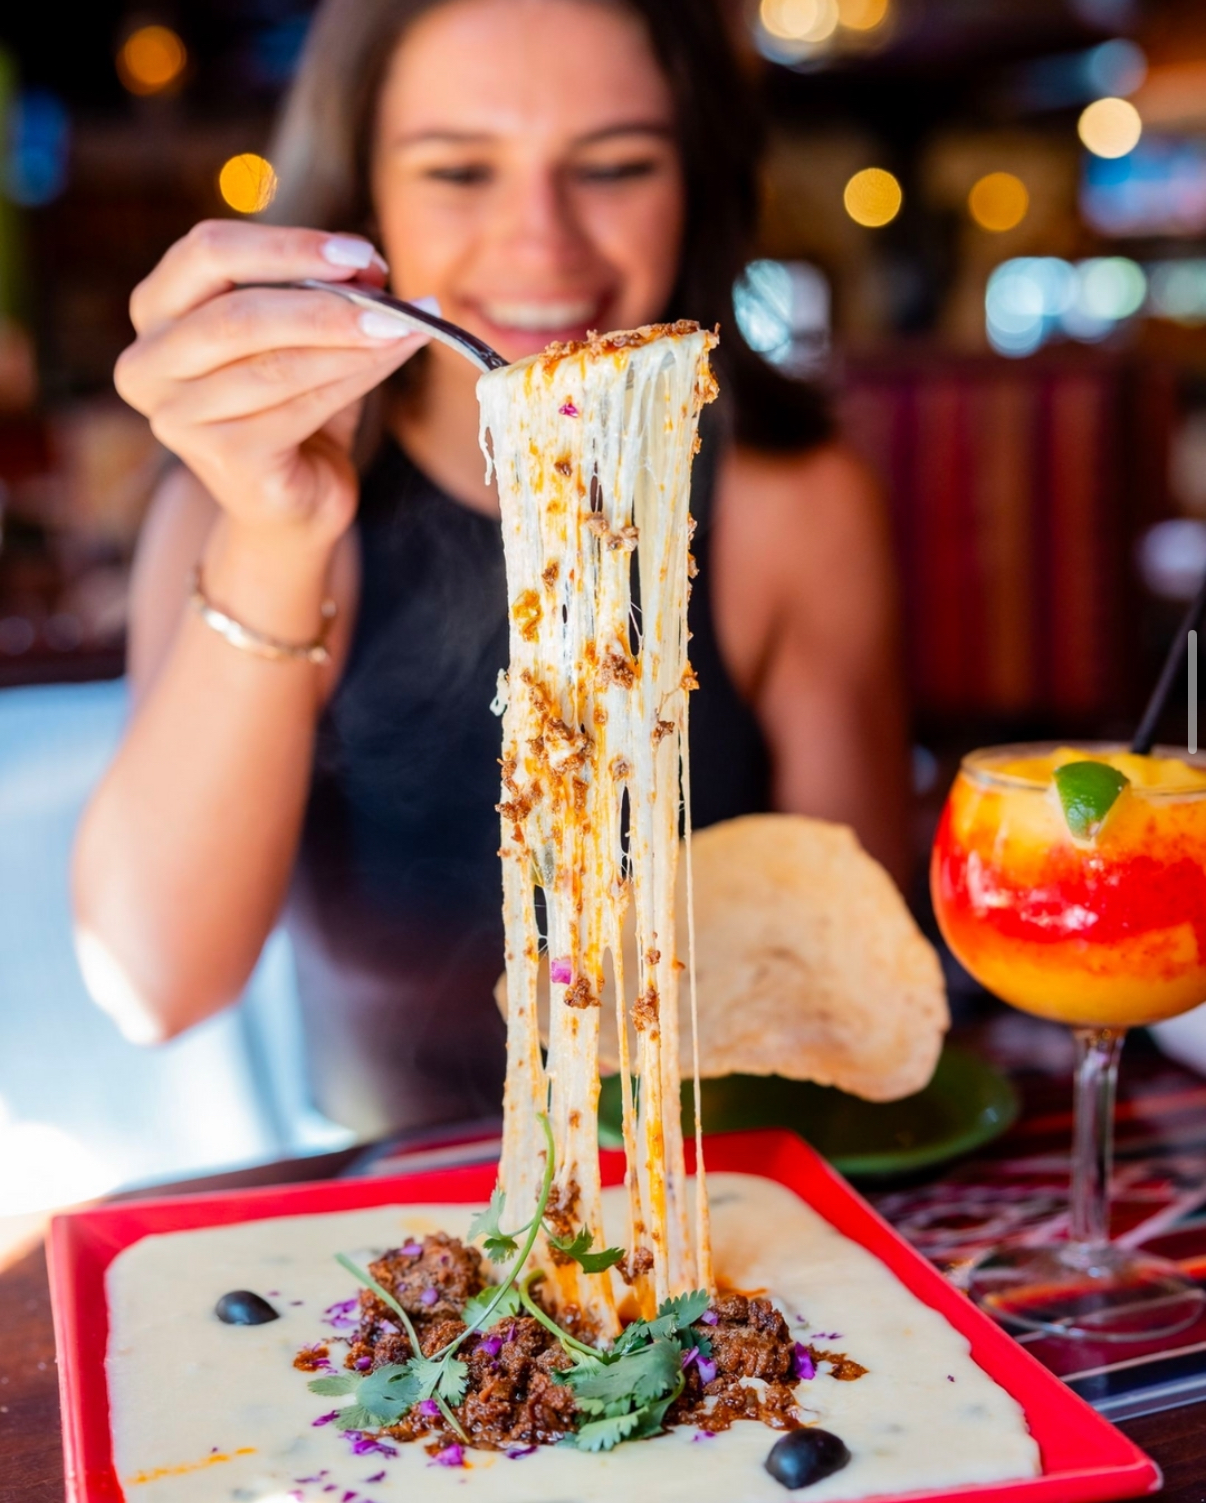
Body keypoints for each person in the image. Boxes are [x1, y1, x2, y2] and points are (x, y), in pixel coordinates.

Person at [73, 0, 908, 1139]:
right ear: (366, 201)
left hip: (720, 1207)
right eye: (459, 171)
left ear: (694, 185)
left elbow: (861, 998)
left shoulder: (787, 500)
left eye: (615, 166)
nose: (543, 246)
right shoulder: (235, 504)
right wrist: (278, 527)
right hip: (374, 1232)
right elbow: (154, 982)